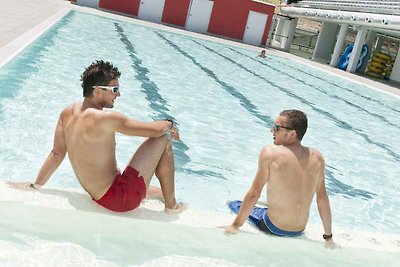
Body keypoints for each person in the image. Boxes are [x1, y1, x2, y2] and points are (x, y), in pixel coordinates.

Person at [8, 60, 187, 214]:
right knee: (162, 140)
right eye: (114, 89)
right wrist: (169, 123)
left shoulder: (67, 113)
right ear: (98, 91)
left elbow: (56, 154)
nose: (118, 94)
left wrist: (35, 186)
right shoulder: (105, 118)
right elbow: (154, 131)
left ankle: (164, 197)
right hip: (119, 200)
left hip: (101, 193)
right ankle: (171, 207)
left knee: (159, 191)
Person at [225, 110, 337, 247]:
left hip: (273, 227)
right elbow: (322, 198)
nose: (272, 130)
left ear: (292, 134)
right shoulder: (317, 157)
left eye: (277, 127)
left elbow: (254, 193)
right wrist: (328, 237)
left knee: (234, 204)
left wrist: (235, 226)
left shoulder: (270, 153)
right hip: (298, 230)